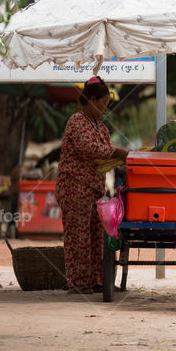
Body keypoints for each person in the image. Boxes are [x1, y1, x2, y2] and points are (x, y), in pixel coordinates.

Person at [54, 76, 127, 294]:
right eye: (103, 104)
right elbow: (89, 148)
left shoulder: (102, 128)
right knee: (78, 237)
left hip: (95, 190)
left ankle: (98, 281)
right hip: (74, 187)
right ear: (92, 100)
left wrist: (119, 156)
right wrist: (117, 152)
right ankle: (78, 282)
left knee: (97, 237)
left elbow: (104, 154)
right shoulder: (77, 121)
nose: (105, 109)